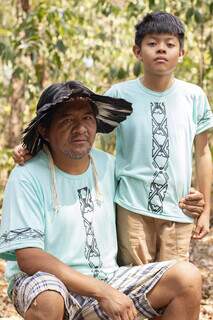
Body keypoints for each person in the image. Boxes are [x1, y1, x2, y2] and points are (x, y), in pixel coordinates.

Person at [0, 81, 202, 320]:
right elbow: (29, 257)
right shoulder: (27, 175)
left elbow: (147, 192)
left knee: (187, 278)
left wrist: (192, 200)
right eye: (66, 120)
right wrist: (103, 292)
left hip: (107, 277)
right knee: (48, 298)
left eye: (87, 118)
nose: (80, 128)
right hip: (50, 283)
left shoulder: (109, 165)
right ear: (44, 130)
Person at [104, 11, 213, 265]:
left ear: (181, 53)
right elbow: (84, 133)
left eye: (170, 44)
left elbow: (203, 152)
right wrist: (34, 146)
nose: (161, 49)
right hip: (131, 208)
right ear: (137, 51)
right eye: (152, 43)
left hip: (179, 209)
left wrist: (206, 208)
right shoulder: (119, 94)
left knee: (174, 283)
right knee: (134, 283)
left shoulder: (193, 96)